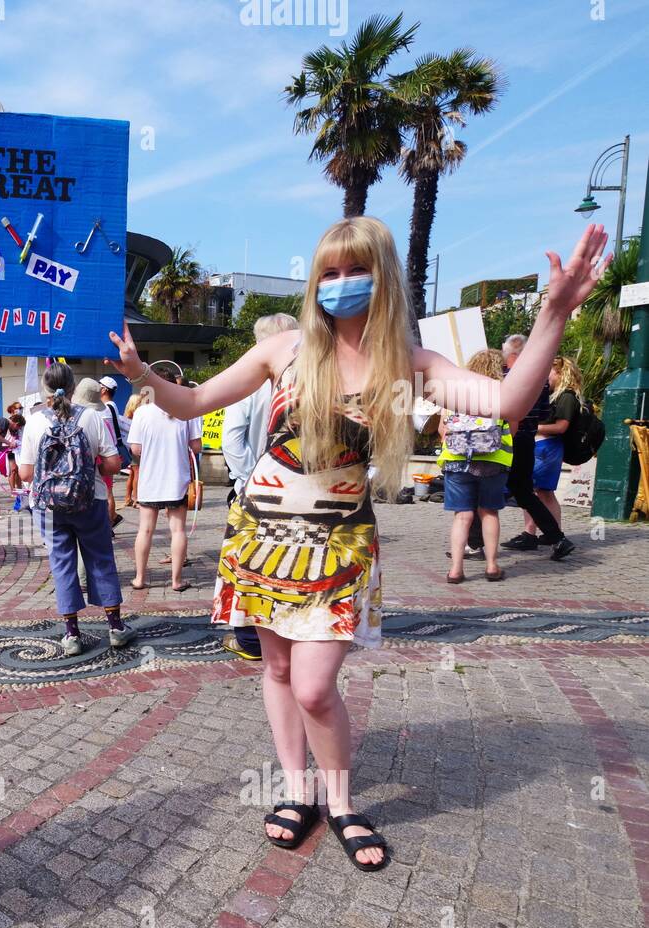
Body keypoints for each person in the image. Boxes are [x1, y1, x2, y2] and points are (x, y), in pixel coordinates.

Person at [109, 217, 608, 872]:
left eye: (357, 271)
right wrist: (143, 372)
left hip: (338, 544)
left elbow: (510, 401)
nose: (342, 284)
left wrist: (554, 316)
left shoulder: (409, 363)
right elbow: (195, 399)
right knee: (279, 670)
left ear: (384, 281)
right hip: (262, 534)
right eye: (331, 271)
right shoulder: (283, 349)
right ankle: (298, 789)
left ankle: (341, 800)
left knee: (315, 685)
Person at [19, 363, 134, 656]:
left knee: (62, 564)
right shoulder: (93, 417)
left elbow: (25, 473)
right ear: (73, 387)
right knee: (101, 559)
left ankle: (71, 635)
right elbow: (113, 464)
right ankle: (116, 627)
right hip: (90, 499)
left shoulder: (34, 422)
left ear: (45, 388)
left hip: (48, 506)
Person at [221, 313, 301, 660]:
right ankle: (277, 635)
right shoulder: (293, 382)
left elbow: (231, 438)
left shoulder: (251, 383)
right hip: (287, 488)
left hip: (258, 488)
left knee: (253, 564)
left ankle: (252, 639)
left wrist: (246, 479)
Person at [441, 349, 513, 584]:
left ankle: (456, 570)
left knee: (462, 516)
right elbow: (514, 428)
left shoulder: (454, 394)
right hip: (493, 461)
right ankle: (492, 566)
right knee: (489, 512)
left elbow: (443, 430)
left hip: (457, 459)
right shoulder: (502, 394)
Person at [501, 334, 574, 560]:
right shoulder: (541, 379)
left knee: (486, 490)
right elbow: (544, 414)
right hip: (528, 440)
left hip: (507, 440)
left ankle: (474, 542)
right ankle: (557, 537)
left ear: (512, 355)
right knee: (524, 492)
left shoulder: (506, 377)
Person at [127, 377, 203, 593]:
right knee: (178, 530)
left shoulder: (142, 412)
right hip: (177, 478)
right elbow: (196, 446)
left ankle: (140, 578)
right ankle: (176, 581)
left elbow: (135, 448)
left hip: (150, 479)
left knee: (145, 529)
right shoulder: (187, 411)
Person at [530, 355, 582, 556]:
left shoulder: (567, 396)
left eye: (549, 372)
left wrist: (534, 427)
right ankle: (549, 533)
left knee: (542, 492)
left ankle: (553, 533)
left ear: (560, 373)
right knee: (540, 492)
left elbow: (562, 427)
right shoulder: (555, 395)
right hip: (545, 447)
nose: (546, 377)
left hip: (549, 447)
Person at [99, 377, 131, 528]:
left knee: (107, 491)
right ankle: (113, 518)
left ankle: (109, 523)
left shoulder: (105, 408)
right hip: (111, 452)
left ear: (104, 389)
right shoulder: (112, 406)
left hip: (105, 454)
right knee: (108, 490)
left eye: (99, 386)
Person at [122, 393, 149, 508]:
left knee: (132, 473)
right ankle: (136, 499)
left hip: (129, 446)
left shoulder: (127, 416)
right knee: (138, 472)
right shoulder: (139, 416)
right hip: (137, 446)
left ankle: (128, 497)